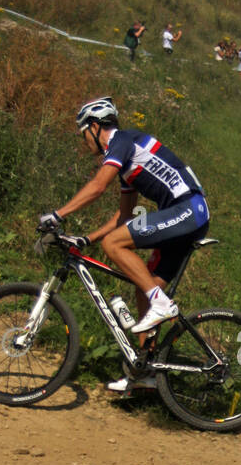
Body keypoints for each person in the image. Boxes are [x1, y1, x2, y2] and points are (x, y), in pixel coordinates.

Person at [37, 98, 210, 395]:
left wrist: (57, 215)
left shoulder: (121, 141)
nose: (83, 143)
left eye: (83, 134)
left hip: (189, 210)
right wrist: (86, 239)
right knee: (143, 287)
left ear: (94, 127)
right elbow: (124, 217)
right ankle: (146, 371)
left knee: (116, 247)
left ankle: (162, 302)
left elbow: (97, 186)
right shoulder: (128, 164)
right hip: (189, 215)